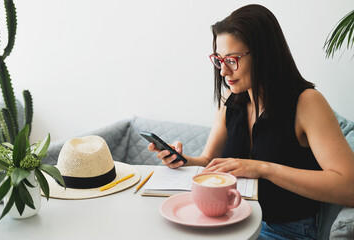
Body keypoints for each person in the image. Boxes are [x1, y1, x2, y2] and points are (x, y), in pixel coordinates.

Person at [148, 4, 354, 240]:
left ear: (264, 54)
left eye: (232, 60)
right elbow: (208, 161)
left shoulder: (307, 103)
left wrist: (263, 169)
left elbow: (349, 187)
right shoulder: (230, 99)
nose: (223, 72)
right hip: (230, 220)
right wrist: (181, 160)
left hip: (284, 231)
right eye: (219, 60)